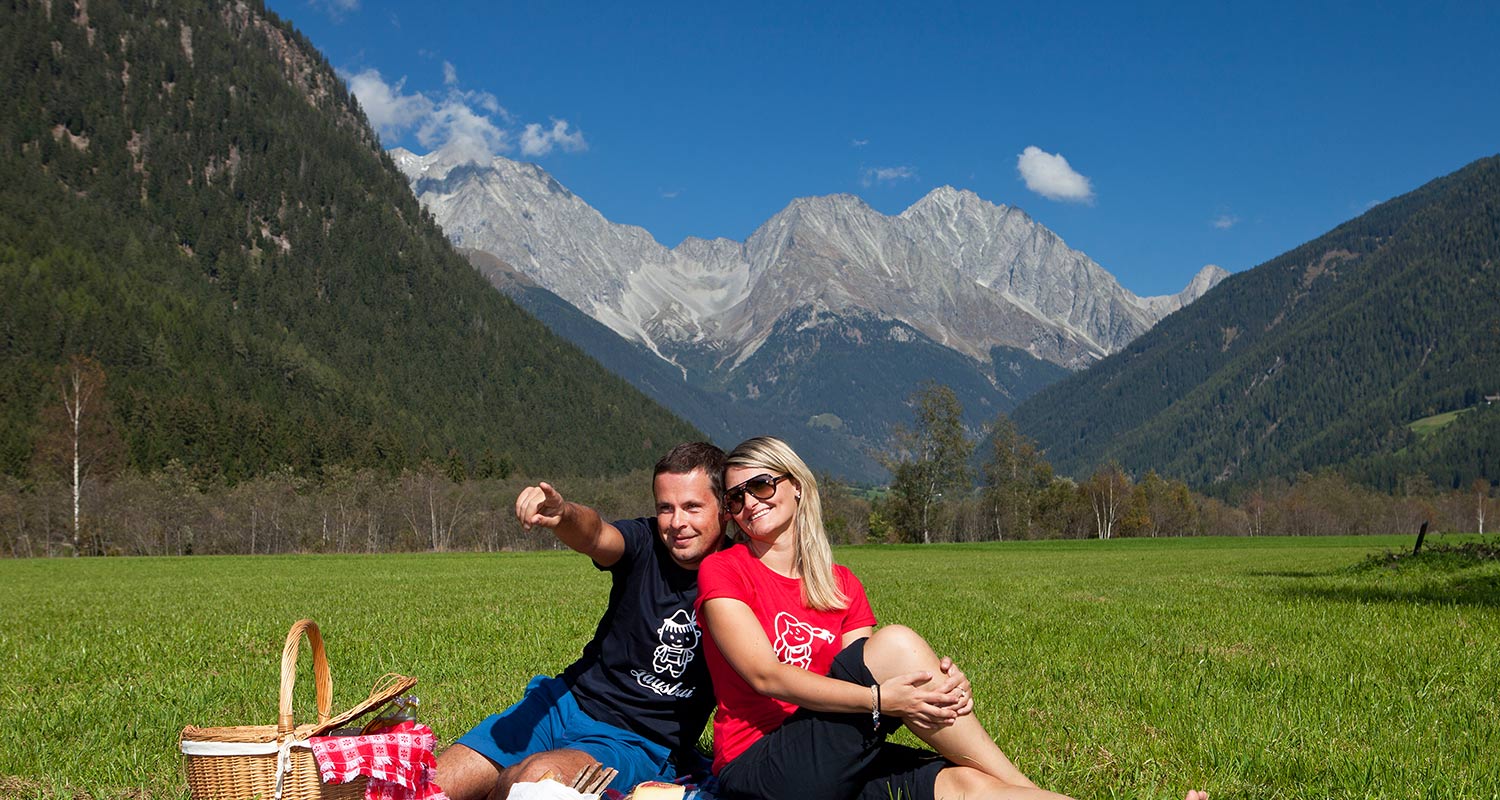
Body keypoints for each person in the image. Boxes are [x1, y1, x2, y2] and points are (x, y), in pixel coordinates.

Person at [696, 436, 1208, 800]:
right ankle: (1025, 785)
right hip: (762, 769)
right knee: (897, 645)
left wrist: (935, 686)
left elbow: (864, 666)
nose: (748, 504)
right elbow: (767, 675)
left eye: (760, 485)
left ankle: (1020, 789)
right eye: (735, 497)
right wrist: (884, 697)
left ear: (797, 486)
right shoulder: (724, 570)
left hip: (836, 761)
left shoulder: (840, 583)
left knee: (970, 787)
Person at [435, 442, 729, 800]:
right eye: (665, 508)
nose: (677, 522)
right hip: (561, 704)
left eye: (692, 507)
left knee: (531, 782)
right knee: (433, 785)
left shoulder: (740, 578)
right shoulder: (643, 542)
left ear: (726, 508)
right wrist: (564, 515)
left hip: (637, 741)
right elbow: (596, 534)